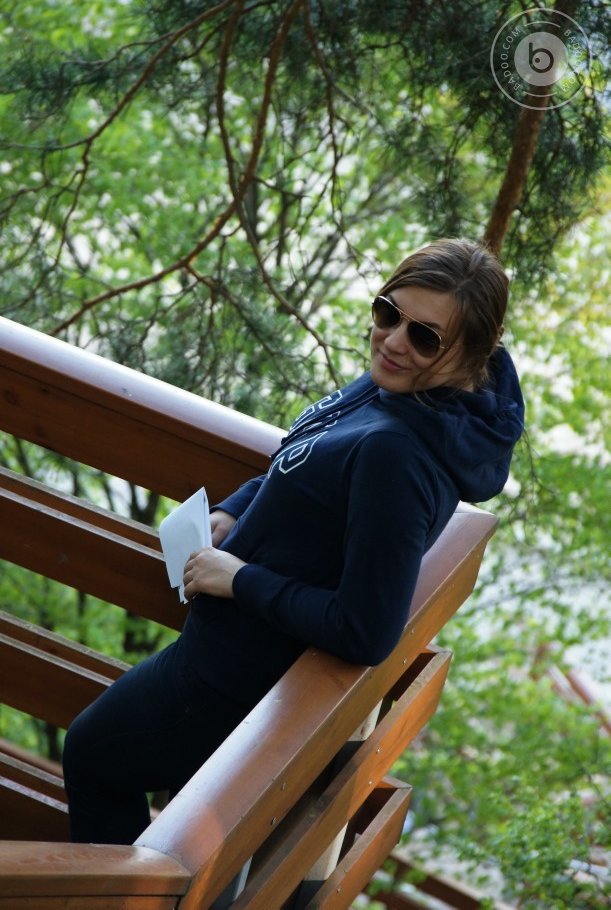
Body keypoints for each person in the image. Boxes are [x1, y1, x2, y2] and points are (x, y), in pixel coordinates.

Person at [62, 237, 525, 845]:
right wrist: (237, 509)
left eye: (425, 337)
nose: (393, 341)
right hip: (227, 657)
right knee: (165, 819)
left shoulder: (399, 454)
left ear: (471, 356)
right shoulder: (404, 391)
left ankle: (118, 890)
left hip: (232, 683)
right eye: (389, 312)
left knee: (93, 757)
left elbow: (366, 629)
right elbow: (307, 463)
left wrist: (240, 580)